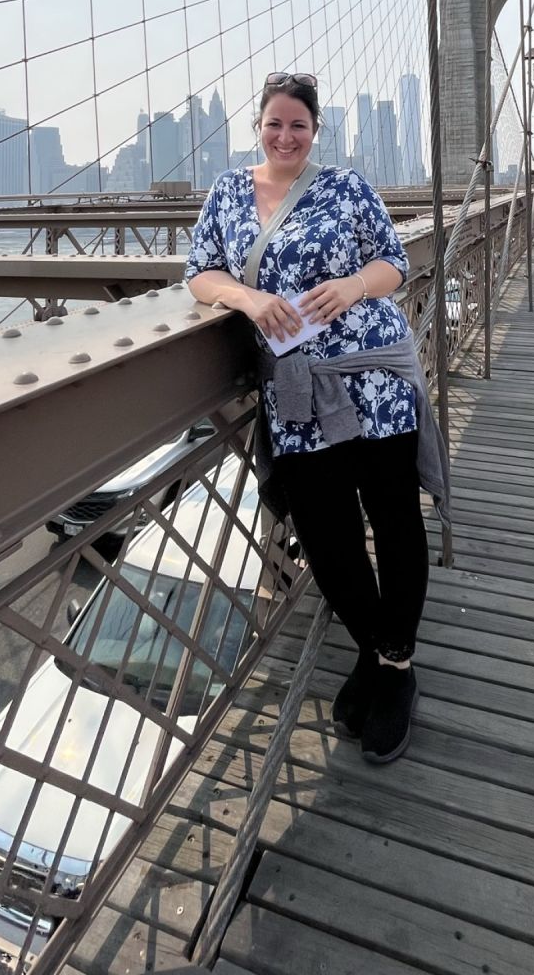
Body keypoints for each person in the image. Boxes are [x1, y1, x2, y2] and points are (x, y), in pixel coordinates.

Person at [185, 71, 447, 765]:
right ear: (258, 126)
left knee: (394, 519)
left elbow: (393, 262)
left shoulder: (347, 186)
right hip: (297, 390)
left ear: (314, 131)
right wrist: (245, 298)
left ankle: (394, 666)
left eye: (297, 125)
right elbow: (200, 273)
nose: (285, 136)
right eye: (274, 123)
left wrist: (352, 286)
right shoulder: (227, 192)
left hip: (374, 377)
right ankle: (375, 649)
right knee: (327, 538)